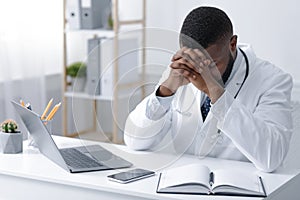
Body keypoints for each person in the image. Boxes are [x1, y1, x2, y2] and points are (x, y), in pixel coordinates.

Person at [124, 6, 293, 172]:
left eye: (211, 64)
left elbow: (272, 158)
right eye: (193, 61)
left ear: (232, 44)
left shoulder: (273, 80)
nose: (200, 71)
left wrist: (216, 94)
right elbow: (134, 141)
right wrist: (165, 91)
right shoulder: (180, 70)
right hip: (185, 185)